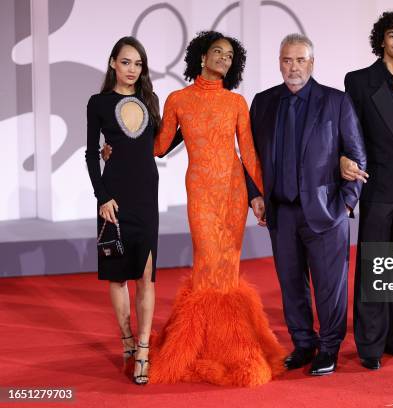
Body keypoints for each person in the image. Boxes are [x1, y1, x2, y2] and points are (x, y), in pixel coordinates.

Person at [149, 31, 286, 386]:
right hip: (200, 193)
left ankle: (228, 341)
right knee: (206, 262)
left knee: (226, 269)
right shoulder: (178, 99)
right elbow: (159, 146)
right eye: (217, 52)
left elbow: (250, 154)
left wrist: (262, 196)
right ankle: (203, 342)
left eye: (229, 55)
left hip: (234, 194)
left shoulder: (236, 102)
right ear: (201, 56)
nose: (223, 58)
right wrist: (119, 145)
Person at [245, 33, 366, 376]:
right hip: (281, 212)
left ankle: (328, 347)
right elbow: (251, 156)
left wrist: (346, 204)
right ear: (278, 62)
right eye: (287, 60)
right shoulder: (264, 102)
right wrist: (255, 193)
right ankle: (303, 343)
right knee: (291, 283)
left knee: (330, 285)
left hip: (327, 212)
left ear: (311, 63)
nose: (293, 67)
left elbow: (356, 154)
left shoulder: (336, 102)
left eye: (300, 60)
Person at [343, 11, 393, 371]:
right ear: (382, 40)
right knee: (375, 267)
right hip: (376, 186)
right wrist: (343, 160)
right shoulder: (359, 82)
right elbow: (349, 130)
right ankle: (370, 345)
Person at [85, 36, 161, 385]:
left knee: (146, 276)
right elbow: (90, 153)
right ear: (113, 62)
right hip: (114, 198)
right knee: (117, 275)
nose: (132, 69)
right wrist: (102, 197)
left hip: (146, 196)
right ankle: (127, 339)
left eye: (139, 64)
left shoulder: (149, 100)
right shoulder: (98, 103)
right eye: (127, 62)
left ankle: (143, 349)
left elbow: (158, 144)